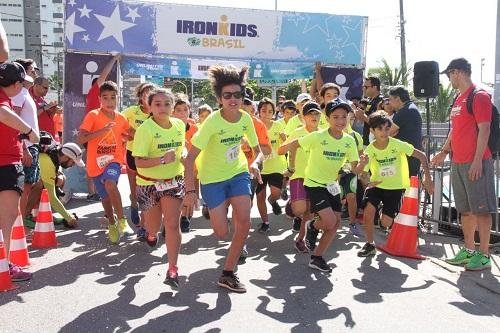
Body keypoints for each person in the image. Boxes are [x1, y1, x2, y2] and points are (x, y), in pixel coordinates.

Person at [183, 65, 263, 293]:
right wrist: (190, 192)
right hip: (212, 180)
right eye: (227, 95)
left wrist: (255, 163)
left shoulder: (246, 119)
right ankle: (214, 207)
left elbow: (258, 150)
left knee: (245, 223)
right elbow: (189, 160)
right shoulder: (212, 123)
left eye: (238, 94)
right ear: (219, 98)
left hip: (238, 174)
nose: (233, 99)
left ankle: (228, 273)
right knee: (221, 233)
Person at [283, 99, 367, 272]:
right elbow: (293, 145)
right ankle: (311, 226)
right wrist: (291, 167)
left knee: (335, 224)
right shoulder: (317, 136)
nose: (340, 121)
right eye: (335, 117)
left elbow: (355, 169)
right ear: (327, 119)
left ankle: (317, 257)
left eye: (344, 117)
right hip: (314, 184)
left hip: (332, 185)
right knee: (328, 221)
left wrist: (363, 164)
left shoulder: (349, 141)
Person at [432, 58, 496, 271]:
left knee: (481, 210)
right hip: (458, 162)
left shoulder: (479, 96)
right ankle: (468, 251)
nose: (449, 79)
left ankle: (484, 255)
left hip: (476, 162)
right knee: (466, 211)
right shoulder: (459, 98)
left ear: (457, 72)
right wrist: (444, 151)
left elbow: (484, 129)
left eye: (449, 75)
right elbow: (455, 129)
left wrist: (477, 160)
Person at [358, 111, 433, 257]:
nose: (384, 132)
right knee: (368, 212)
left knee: (385, 223)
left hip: (396, 188)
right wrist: (367, 181)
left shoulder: (398, 145)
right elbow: (363, 172)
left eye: (387, 128)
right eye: (380, 129)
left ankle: (383, 215)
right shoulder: (370, 149)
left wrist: (428, 178)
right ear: (372, 130)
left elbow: (422, 156)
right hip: (377, 186)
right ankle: (369, 244)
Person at [133, 88, 186, 288]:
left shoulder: (180, 125)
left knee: (172, 224)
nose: (162, 108)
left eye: (167, 104)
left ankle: (173, 269)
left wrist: (185, 153)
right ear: (150, 106)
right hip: (148, 183)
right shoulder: (145, 129)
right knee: (154, 226)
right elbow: (138, 162)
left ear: (173, 106)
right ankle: (151, 234)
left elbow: (182, 147)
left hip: (173, 181)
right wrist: (163, 159)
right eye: (157, 104)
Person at [77, 81, 133, 244]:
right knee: (105, 200)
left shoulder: (121, 118)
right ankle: (111, 223)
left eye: (113, 98)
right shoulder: (93, 115)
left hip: (114, 160)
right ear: (100, 99)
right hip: (95, 164)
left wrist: (136, 134)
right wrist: (102, 131)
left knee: (110, 183)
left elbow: (129, 133)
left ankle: (122, 221)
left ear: (118, 98)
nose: (109, 102)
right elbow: (81, 138)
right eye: (105, 98)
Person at [0, 62, 40, 281]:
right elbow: (3, 115)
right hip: (5, 164)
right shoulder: (3, 100)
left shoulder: (7, 98)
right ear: (16, 84)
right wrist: (30, 131)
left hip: (7, 160)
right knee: (6, 217)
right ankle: (3, 266)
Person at [278, 101, 321, 252]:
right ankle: (292, 203)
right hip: (298, 175)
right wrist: (290, 146)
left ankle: (300, 239)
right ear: (304, 117)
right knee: (299, 209)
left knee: (309, 211)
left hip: (316, 178)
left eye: (317, 113)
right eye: (311, 114)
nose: (314, 117)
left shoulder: (323, 133)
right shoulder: (297, 132)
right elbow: (280, 151)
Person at [85, 54, 120, 201]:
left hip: (103, 138)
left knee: (105, 167)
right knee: (96, 166)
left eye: (112, 96)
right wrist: (114, 59)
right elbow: (103, 76)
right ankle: (97, 193)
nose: (109, 99)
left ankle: (96, 193)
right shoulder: (94, 92)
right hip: (95, 137)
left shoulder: (98, 100)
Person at [122, 82, 156, 238]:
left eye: (151, 93)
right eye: (144, 93)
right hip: (132, 154)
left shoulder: (158, 112)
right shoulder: (131, 112)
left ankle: (145, 225)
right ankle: (134, 203)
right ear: (140, 96)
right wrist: (130, 133)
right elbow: (117, 123)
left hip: (151, 156)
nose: (147, 96)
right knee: (136, 188)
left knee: (148, 190)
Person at [10, 59, 40, 225]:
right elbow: (13, 122)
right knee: (24, 188)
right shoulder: (18, 92)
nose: (35, 72)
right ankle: (18, 225)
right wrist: (25, 149)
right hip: (26, 146)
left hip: (31, 145)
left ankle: (22, 221)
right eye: (33, 69)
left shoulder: (25, 92)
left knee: (31, 185)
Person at [255, 98, 287, 233]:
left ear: (274, 113)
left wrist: (286, 138)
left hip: (276, 166)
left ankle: (273, 201)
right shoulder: (254, 126)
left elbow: (286, 143)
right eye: (263, 111)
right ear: (259, 112)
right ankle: (265, 222)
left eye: (270, 111)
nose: (267, 114)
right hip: (259, 168)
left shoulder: (278, 126)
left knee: (276, 193)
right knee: (260, 196)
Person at [39, 142, 85, 228]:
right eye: (73, 162)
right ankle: (28, 216)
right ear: (66, 157)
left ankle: (36, 213)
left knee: (61, 178)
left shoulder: (53, 154)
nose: (73, 165)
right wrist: (68, 218)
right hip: (23, 186)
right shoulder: (48, 164)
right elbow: (52, 198)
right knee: (40, 186)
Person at [172, 93, 198, 233]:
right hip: (174, 168)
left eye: (185, 109)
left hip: (192, 167)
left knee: (190, 194)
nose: (182, 113)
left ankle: (186, 218)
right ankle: (173, 222)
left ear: (189, 110)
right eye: (179, 110)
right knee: (176, 196)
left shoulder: (195, 128)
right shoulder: (169, 126)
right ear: (173, 112)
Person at [388, 86, 423, 177]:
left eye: (391, 99)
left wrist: (391, 134)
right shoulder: (410, 108)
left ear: (398, 98)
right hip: (410, 155)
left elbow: (387, 133)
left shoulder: (405, 111)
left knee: (407, 189)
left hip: (408, 158)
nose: (389, 103)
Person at [354, 76, 384, 146]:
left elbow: (379, 124)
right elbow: (367, 119)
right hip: (367, 139)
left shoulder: (381, 102)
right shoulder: (370, 100)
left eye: (366, 87)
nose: (363, 89)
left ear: (375, 87)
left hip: (376, 142)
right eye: (363, 87)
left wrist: (363, 116)